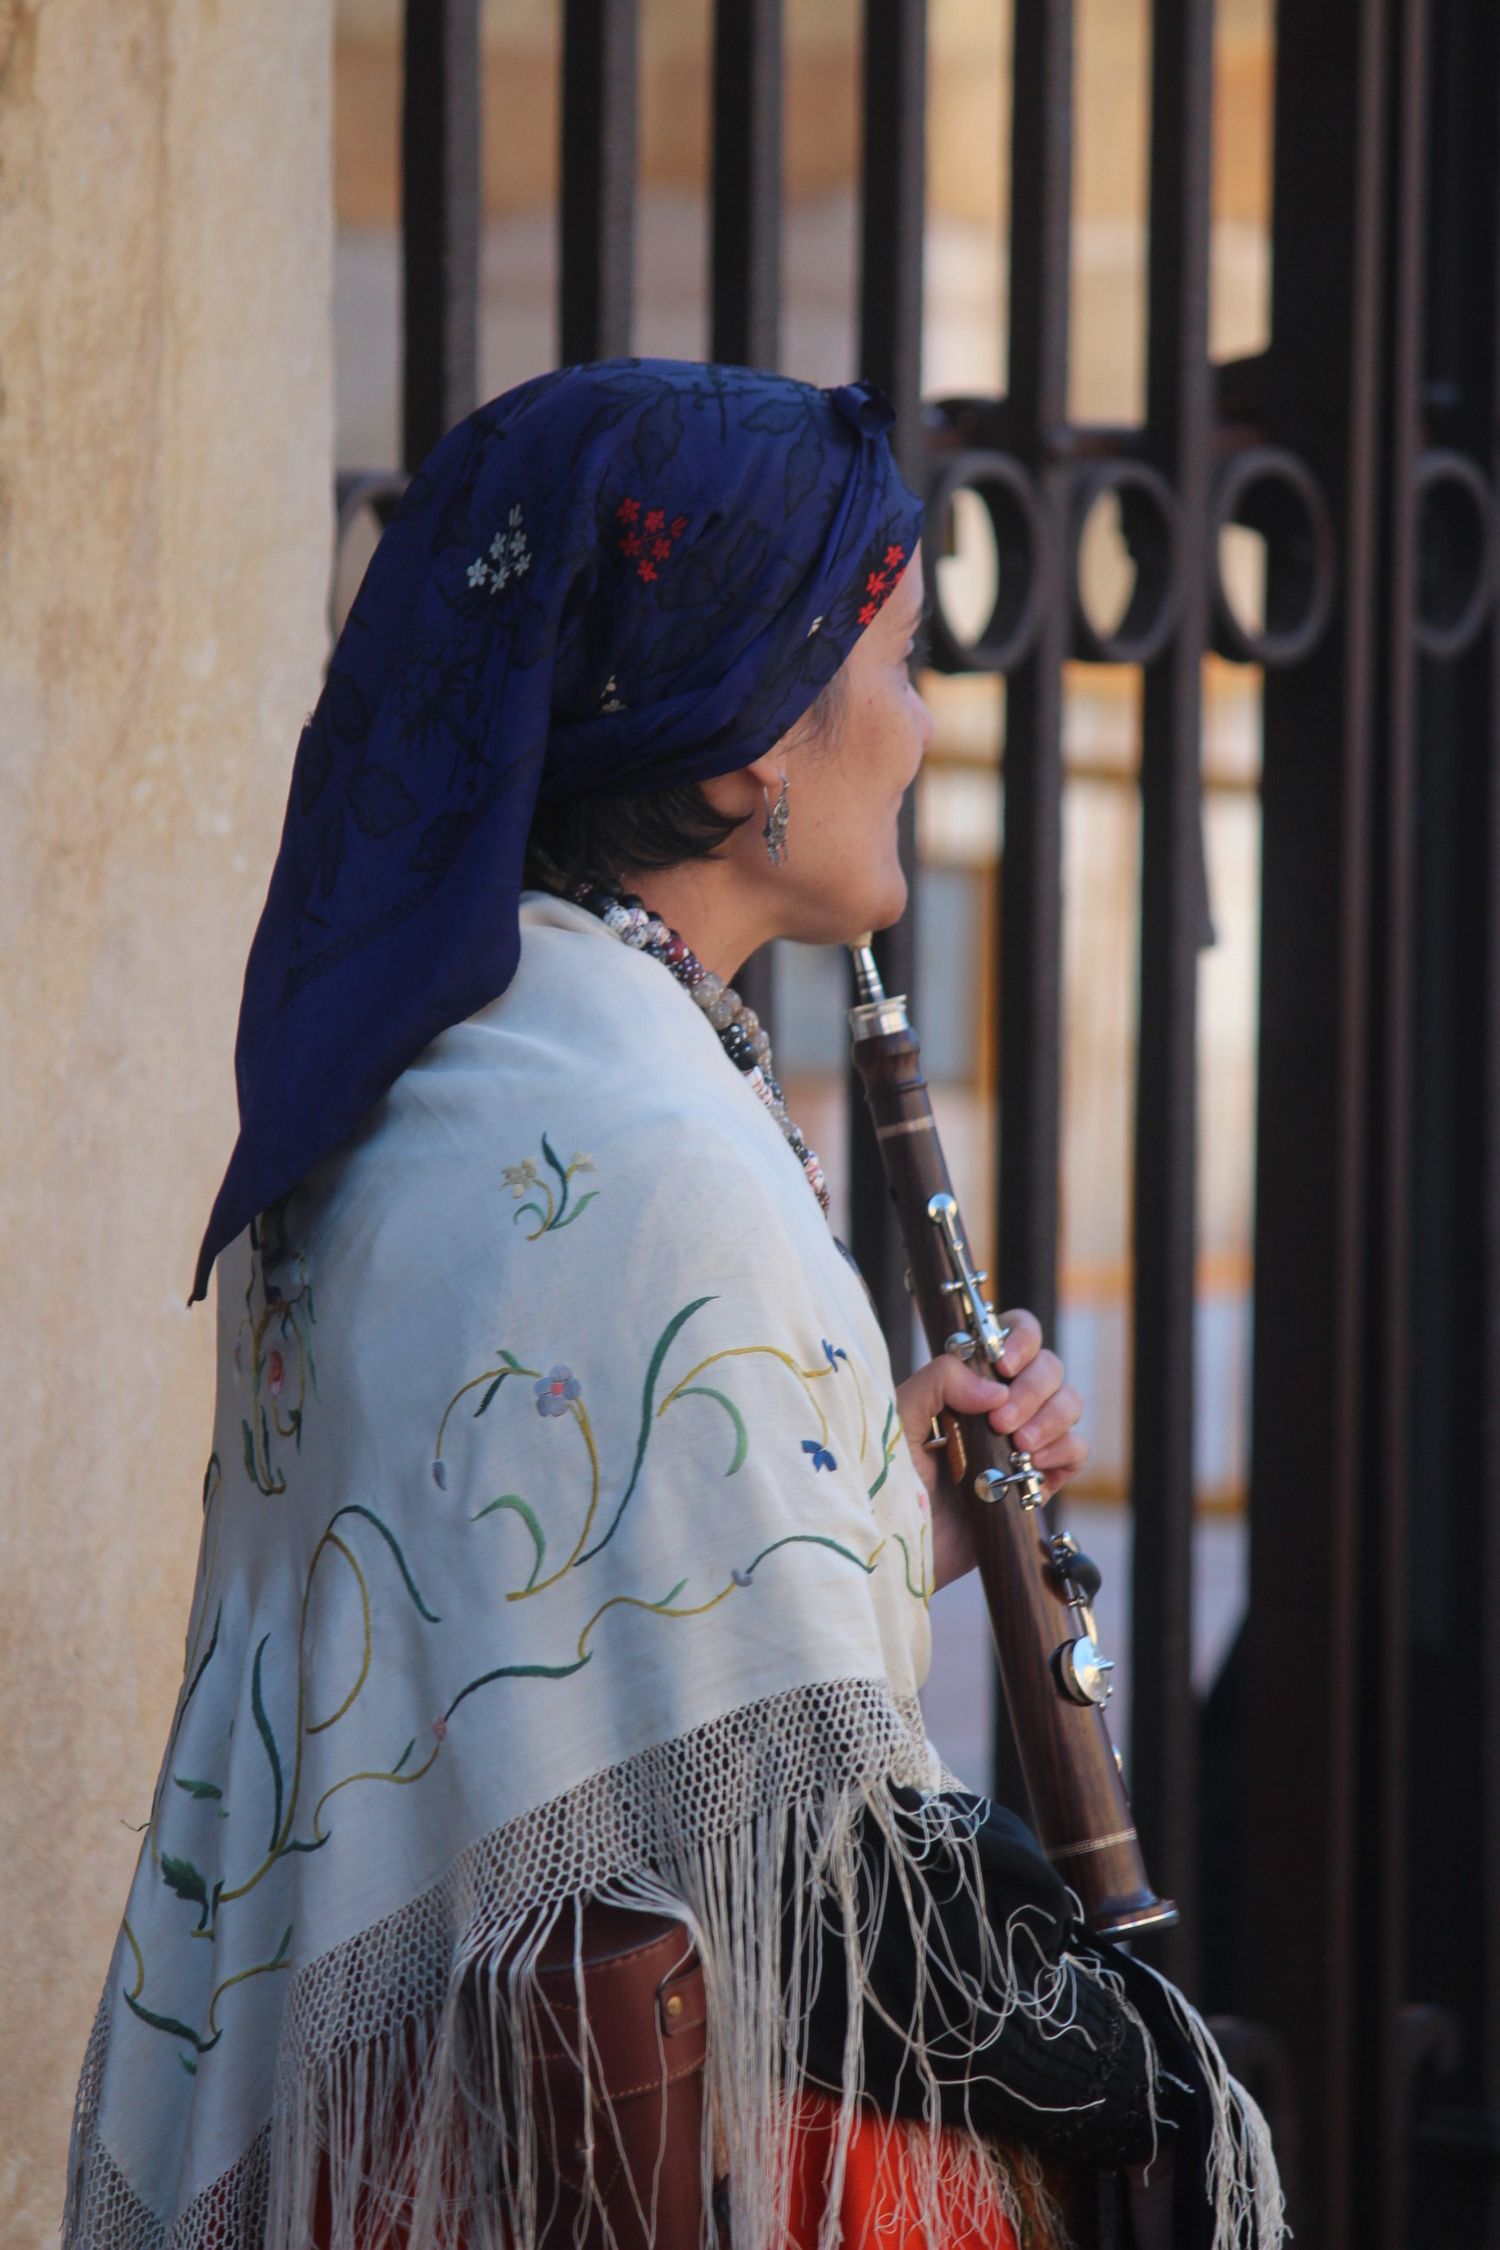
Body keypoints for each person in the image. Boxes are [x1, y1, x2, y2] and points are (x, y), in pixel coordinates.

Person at [63, 361, 1280, 2250]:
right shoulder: (635, 1145)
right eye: (893, 657)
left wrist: (898, 1523)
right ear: (744, 752)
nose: (929, 721)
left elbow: (549, 1680)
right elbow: (808, 1898)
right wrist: (1141, 2064)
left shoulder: (466, 1074)